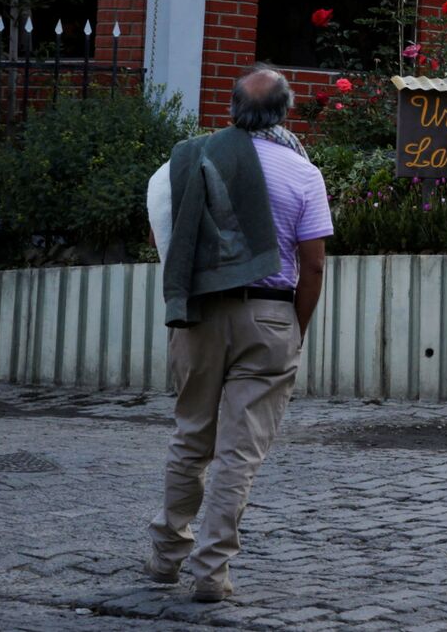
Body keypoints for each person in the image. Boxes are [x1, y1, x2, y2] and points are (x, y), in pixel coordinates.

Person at [145, 66, 332, 603]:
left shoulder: (191, 158)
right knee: (239, 453)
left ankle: (166, 555)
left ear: (232, 109)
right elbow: (314, 264)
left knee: (190, 436)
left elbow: (165, 227)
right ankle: (211, 572)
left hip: (201, 313)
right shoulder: (304, 173)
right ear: (285, 112)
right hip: (270, 316)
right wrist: (294, 328)